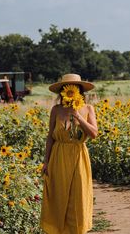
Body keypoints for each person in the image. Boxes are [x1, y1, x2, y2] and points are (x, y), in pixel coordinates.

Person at [40, 73, 98, 234]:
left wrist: (78, 116)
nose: (69, 91)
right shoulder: (56, 110)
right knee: (58, 195)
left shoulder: (88, 108)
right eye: (66, 89)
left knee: (78, 197)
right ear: (62, 92)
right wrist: (46, 161)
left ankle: (78, 230)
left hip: (79, 155)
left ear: (80, 90)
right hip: (59, 156)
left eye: (74, 88)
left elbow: (94, 134)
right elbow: (50, 137)